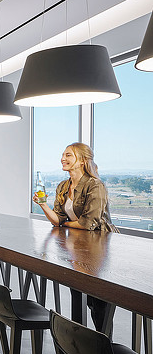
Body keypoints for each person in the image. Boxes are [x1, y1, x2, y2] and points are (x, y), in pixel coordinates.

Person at [32, 142, 119, 332]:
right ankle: (83, 345)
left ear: (82, 161)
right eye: (63, 154)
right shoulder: (63, 186)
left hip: (97, 247)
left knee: (98, 302)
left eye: (68, 155)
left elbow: (88, 224)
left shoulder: (95, 185)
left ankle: (103, 344)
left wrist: (64, 223)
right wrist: (43, 205)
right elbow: (57, 220)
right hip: (78, 248)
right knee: (79, 293)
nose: (63, 158)